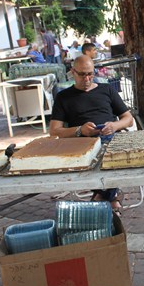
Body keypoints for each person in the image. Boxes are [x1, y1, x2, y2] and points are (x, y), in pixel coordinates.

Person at [50, 56, 134, 215]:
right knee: (99, 157)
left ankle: (102, 197)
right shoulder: (63, 97)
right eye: (82, 74)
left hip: (110, 138)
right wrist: (80, 130)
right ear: (72, 72)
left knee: (112, 154)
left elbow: (128, 119)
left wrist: (114, 125)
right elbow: (54, 130)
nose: (87, 79)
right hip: (81, 143)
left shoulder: (107, 89)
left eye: (90, 74)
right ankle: (110, 198)